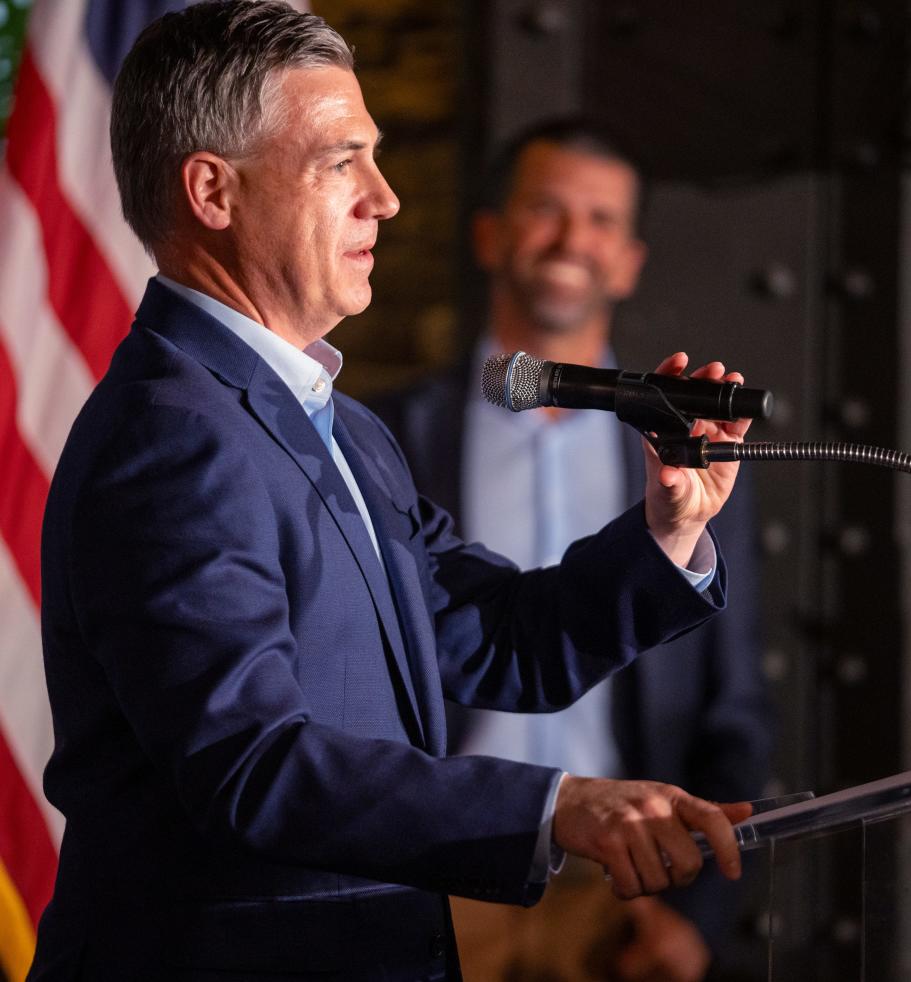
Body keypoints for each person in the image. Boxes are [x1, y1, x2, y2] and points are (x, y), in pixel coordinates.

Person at [30, 6, 755, 981]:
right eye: (341, 162)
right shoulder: (172, 438)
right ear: (212, 189)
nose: (386, 198)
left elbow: (498, 639)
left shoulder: (343, 428)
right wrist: (553, 804)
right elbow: (254, 763)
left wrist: (669, 529)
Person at [375, 119, 772, 981]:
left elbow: (734, 709)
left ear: (628, 259)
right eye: (546, 209)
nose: (571, 239)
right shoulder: (392, 439)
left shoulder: (694, 457)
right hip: (441, 878)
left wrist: (697, 918)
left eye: (599, 220)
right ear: (489, 235)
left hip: (622, 892)